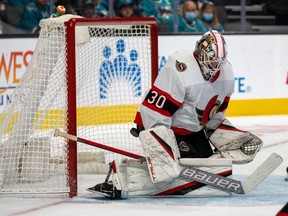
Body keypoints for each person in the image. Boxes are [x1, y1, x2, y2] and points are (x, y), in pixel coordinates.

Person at [87, 30, 263, 199]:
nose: (214, 66)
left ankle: (164, 170)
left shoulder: (226, 75)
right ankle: (122, 177)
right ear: (200, 53)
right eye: (210, 60)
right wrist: (162, 151)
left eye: (218, 61)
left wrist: (227, 136)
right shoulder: (181, 68)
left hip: (192, 131)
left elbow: (215, 115)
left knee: (210, 170)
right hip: (161, 126)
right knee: (171, 172)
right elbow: (155, 112)